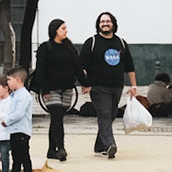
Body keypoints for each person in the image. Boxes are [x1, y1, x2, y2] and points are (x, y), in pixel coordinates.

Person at [76, 10, 136, 159]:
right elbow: (81, 66)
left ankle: (99, 146)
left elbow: (129, 66)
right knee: (104, 114)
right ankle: (110, 144)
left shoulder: (121, 43)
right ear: (98, 25)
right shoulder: (92, 42)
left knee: (110, 116)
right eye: (102, 22)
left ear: (113, 24)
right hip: (97, 86)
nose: (105, 24)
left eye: (108, 21)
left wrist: (133, 86)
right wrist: (85, 83)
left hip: (116, 86)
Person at [29, 18, 80, 162]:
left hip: (67, 88)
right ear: (55, 30)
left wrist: (85, 83)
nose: (66, 31)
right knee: (57, 117)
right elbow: (41, 69)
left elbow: (77, 66)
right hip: (51, 90)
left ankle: (51, 150)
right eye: (63, 28)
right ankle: (61, 148)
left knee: (57, 119)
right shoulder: (46, 47)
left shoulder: (69, 47)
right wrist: (44, 89)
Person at [0, 66, 34, 172]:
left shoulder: (24, 96)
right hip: (14, 130)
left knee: (24, 156)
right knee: (16, 157)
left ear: (17, 80)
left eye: (9, 80)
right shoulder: (15, 95)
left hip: (22, 130)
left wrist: (7, 120)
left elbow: (19, 113)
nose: (8, 82)